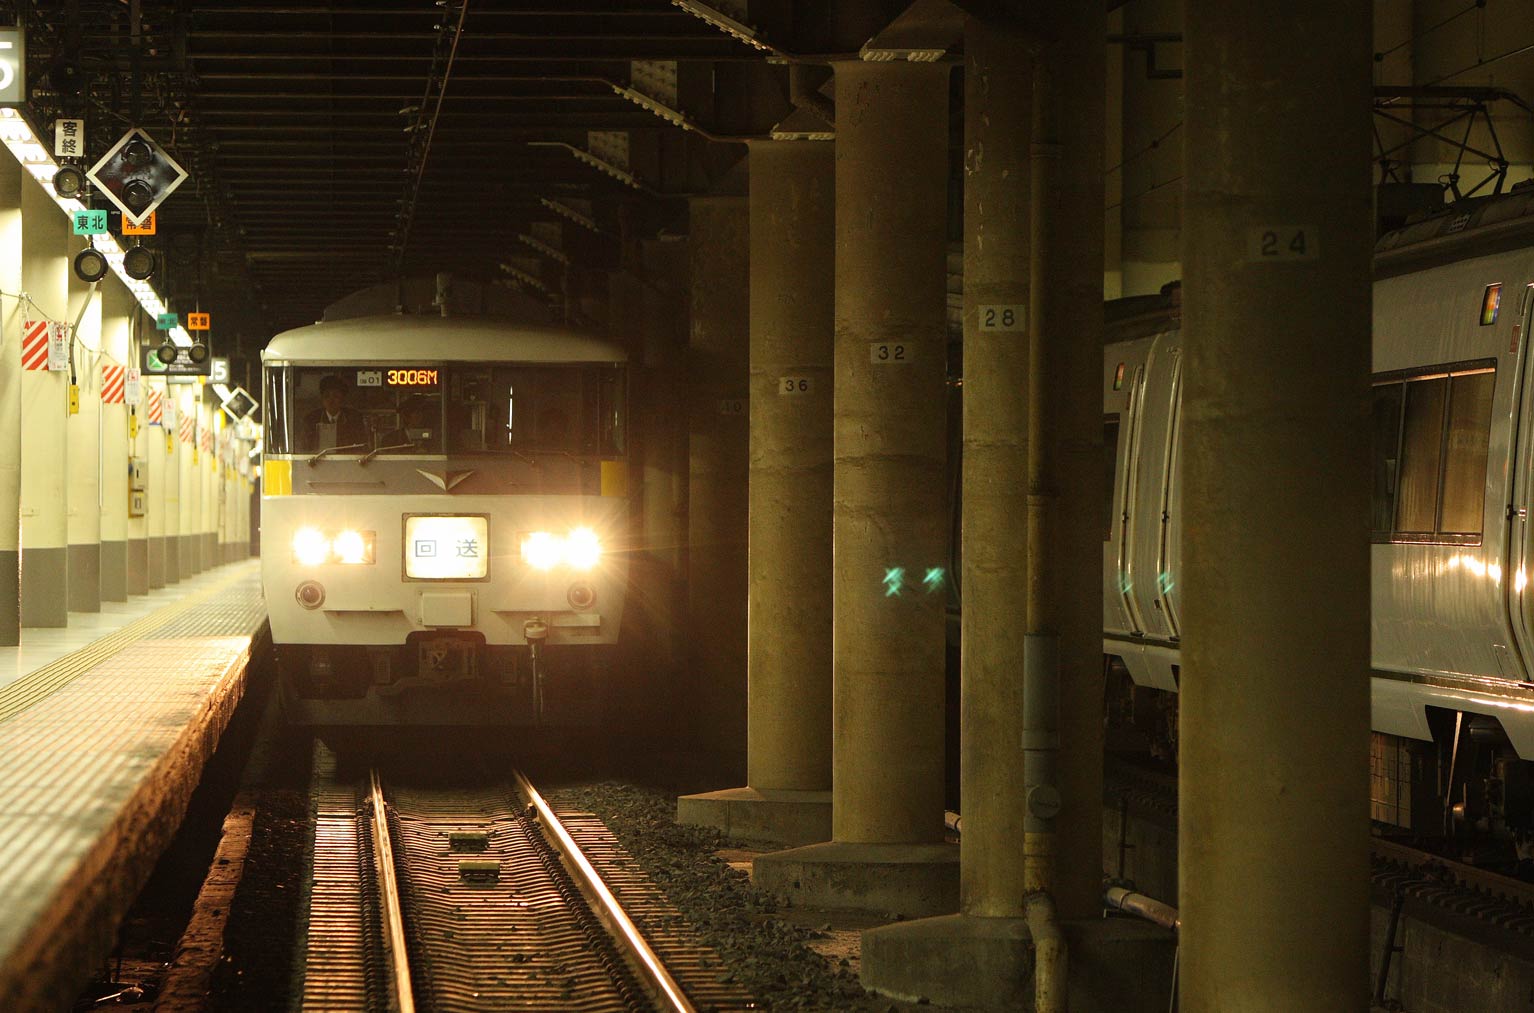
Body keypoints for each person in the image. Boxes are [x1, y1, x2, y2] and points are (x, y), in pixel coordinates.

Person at [303, 375, 366, 451]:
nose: (331, 400)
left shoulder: (354, 419)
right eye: (327, 396)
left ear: (342, 399)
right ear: (322, 399)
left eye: (335, 396)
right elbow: (306, 449)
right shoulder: (311, 420)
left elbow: (360, 448)